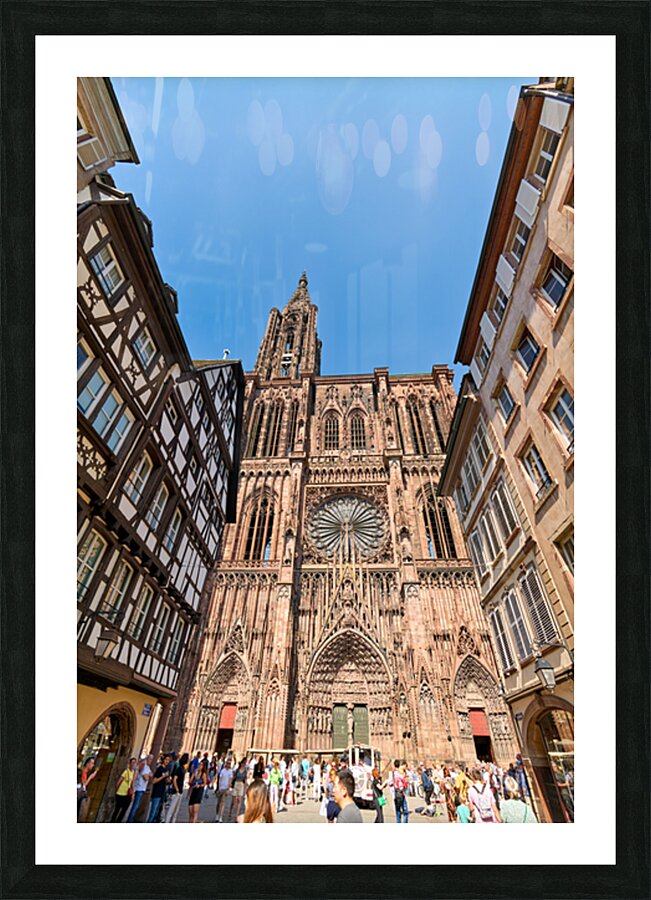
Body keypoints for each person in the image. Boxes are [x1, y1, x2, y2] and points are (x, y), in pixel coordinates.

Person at [147, 753, 172, 822]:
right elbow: (154, 781)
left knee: (156, 813)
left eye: (168, 760)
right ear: (163, 759)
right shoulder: (159, 769)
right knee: (153, 812)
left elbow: (165, 781)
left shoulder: (166, 769)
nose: (167, 761)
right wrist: (163, 776)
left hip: (162, 792)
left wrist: (168, 780)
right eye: (166, 759)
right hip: (157, 792)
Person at [127, 755, 153, 822]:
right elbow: (146, 778)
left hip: (142, 789)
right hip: (139, 789)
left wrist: (148, 775)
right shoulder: (144, 767)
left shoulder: (148, 768)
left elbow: (151, 774)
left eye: (151, 759)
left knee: (136, 806)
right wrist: (148, 775)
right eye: (150, 759)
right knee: (135, 806)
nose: (151, 760)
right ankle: (129, 821)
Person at [165, 752, 188, 823]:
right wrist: (177, 789)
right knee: (171, 809)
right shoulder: (179, 769)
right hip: (176, 791)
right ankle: (167, 822)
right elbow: (175, 779)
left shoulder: (183, 769)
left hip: (180, 791)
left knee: (176, 810)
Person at [111, 757, 136, 822]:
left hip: (127, 793)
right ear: (130, 763)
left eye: (134, 763)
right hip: (120, 792)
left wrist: (133, 793)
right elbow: (119, 780)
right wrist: (116, 789)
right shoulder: (126, 771)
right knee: (117, 809)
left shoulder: (133, 772)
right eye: (132, 763)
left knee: (124, 810)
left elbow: (132, 782)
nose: (133, 764)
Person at [77, 756, 98, 821]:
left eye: (93, 763)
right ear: (87, 764)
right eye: (92, 763)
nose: (93, 765)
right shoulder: (82, 772)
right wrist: (90, 778)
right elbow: (83, 786)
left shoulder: (85, 773)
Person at [188, 758, 208, 823]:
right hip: (193, 791)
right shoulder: (195, 772)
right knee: (190, 810)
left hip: (199, 792)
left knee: (194, 810)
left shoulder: (203, 774)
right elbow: (190, 781)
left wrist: (200, 785)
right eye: (199, 765)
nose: (200, 766)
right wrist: (194, 774)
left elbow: (205, 783)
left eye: (201, 765)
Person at [216, 757, 234, 822]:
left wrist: (228, 789)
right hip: (221, 788)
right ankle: (217, 815)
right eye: (227, 763)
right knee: (218, 803)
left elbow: (230, 780)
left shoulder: (230, 771)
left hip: (226, 788)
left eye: (229, 763)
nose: (228, 764)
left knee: (223, 803)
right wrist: (219, 787)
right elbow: (220, 779)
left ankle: (220, 816)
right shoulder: (223, 770)